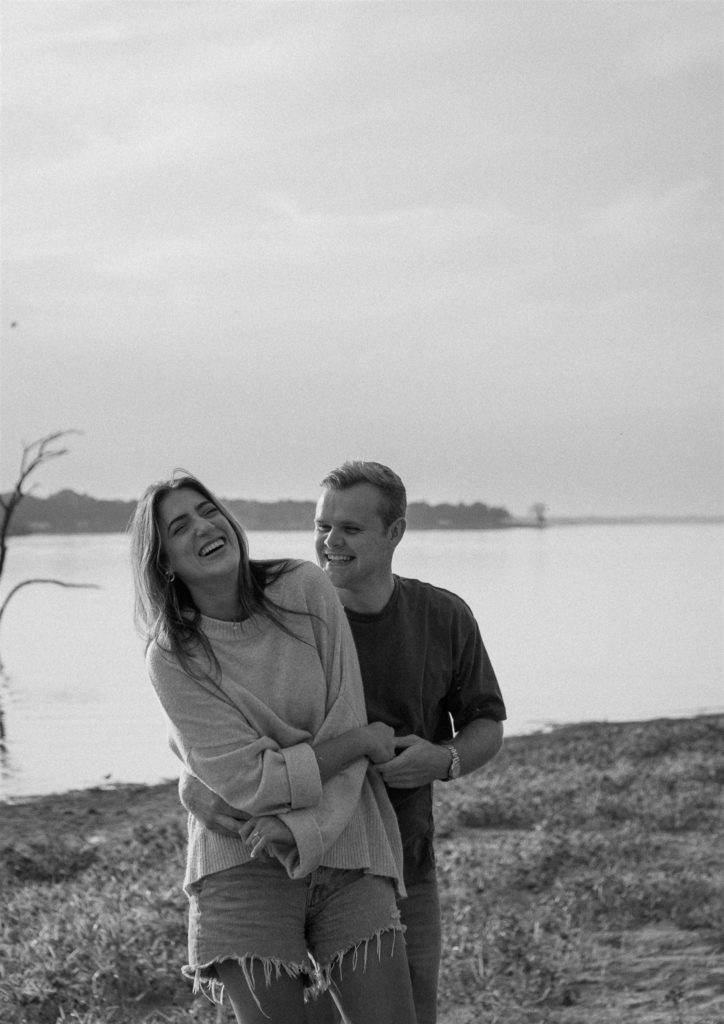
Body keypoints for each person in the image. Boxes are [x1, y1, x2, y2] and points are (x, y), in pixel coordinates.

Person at [181, 461, 507, 1024]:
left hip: (402, 857)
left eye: (350, 529)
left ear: (395, 532)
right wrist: (193, 784)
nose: (330, 542)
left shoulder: (444, 615)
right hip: (285, 861)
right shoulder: (283, 615)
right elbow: (206, 722)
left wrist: (444, 760)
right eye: (322, 525)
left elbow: (487, 723)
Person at [130, 473, 417, 1024]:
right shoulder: (171, 656)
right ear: (163, 559)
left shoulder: (303, 588)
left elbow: (343, 716)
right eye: (179, 526)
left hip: (348, 844)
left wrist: (302, 826)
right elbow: (254, 781)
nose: (204, 527)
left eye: (208, 510)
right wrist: (356, 742)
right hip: (243, 858)